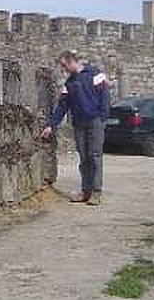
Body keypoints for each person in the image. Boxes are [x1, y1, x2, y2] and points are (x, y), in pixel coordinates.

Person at [41, 50, 110, 205]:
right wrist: (51, 125)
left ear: (72, 61)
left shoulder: (95, 75)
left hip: (95, 121)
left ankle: (96, 192)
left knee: (95, 156)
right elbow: (62, 107)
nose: (64, 69)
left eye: (65, 66)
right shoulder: (69, 83)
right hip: (79, 123)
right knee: (84, 157)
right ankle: (86, 191)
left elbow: (105, 98)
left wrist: (101, 118)